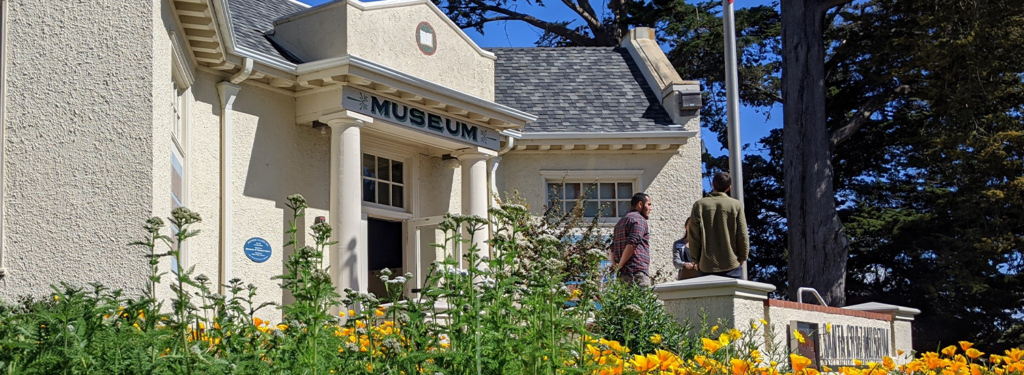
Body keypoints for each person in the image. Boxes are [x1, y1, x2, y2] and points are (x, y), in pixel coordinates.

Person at [688, 172, 749, 279]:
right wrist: (742, 257)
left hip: (706, 264)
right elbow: (742, 234)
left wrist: (696, 259)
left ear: (712, 184)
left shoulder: (699, 205)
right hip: (731, 263)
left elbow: (694, 236)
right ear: (729, 187)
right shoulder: (736, 205)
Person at [610, 192, 652, 286]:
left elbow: (612, 248)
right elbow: (632, 243)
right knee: (642, 300)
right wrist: (620, 265)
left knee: (626, 301)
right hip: (636, 273)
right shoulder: (639, 219)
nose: (650, 208)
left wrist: (616, 266)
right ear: (640, 204)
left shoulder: (620, 222)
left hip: (622, 275)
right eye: (649, 204)